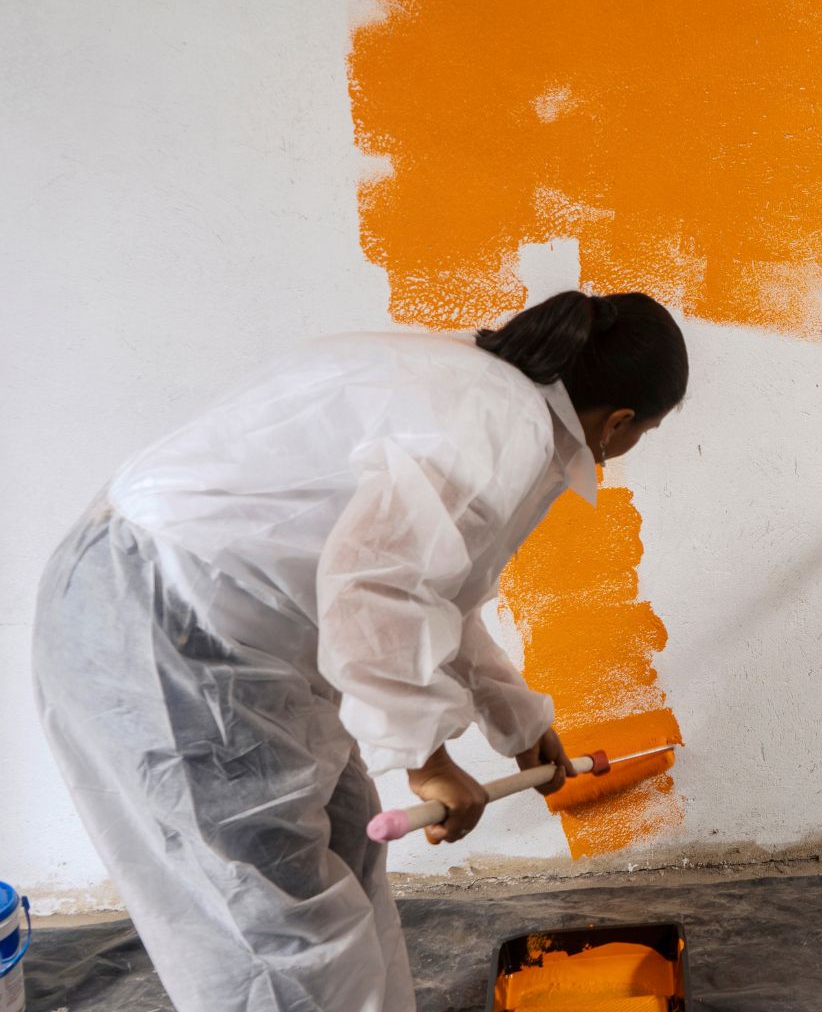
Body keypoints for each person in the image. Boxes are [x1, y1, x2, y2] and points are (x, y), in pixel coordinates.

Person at [32, 290, 688, 1011]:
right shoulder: (501, 426)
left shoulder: (482, 389)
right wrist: (427, 762)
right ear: (619, 421)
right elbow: (375, 587)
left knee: (348, 849)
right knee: (279, 933)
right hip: (169, 628)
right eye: (645, 432)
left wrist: (518, 723)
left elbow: (433, 592)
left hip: (236, 628)